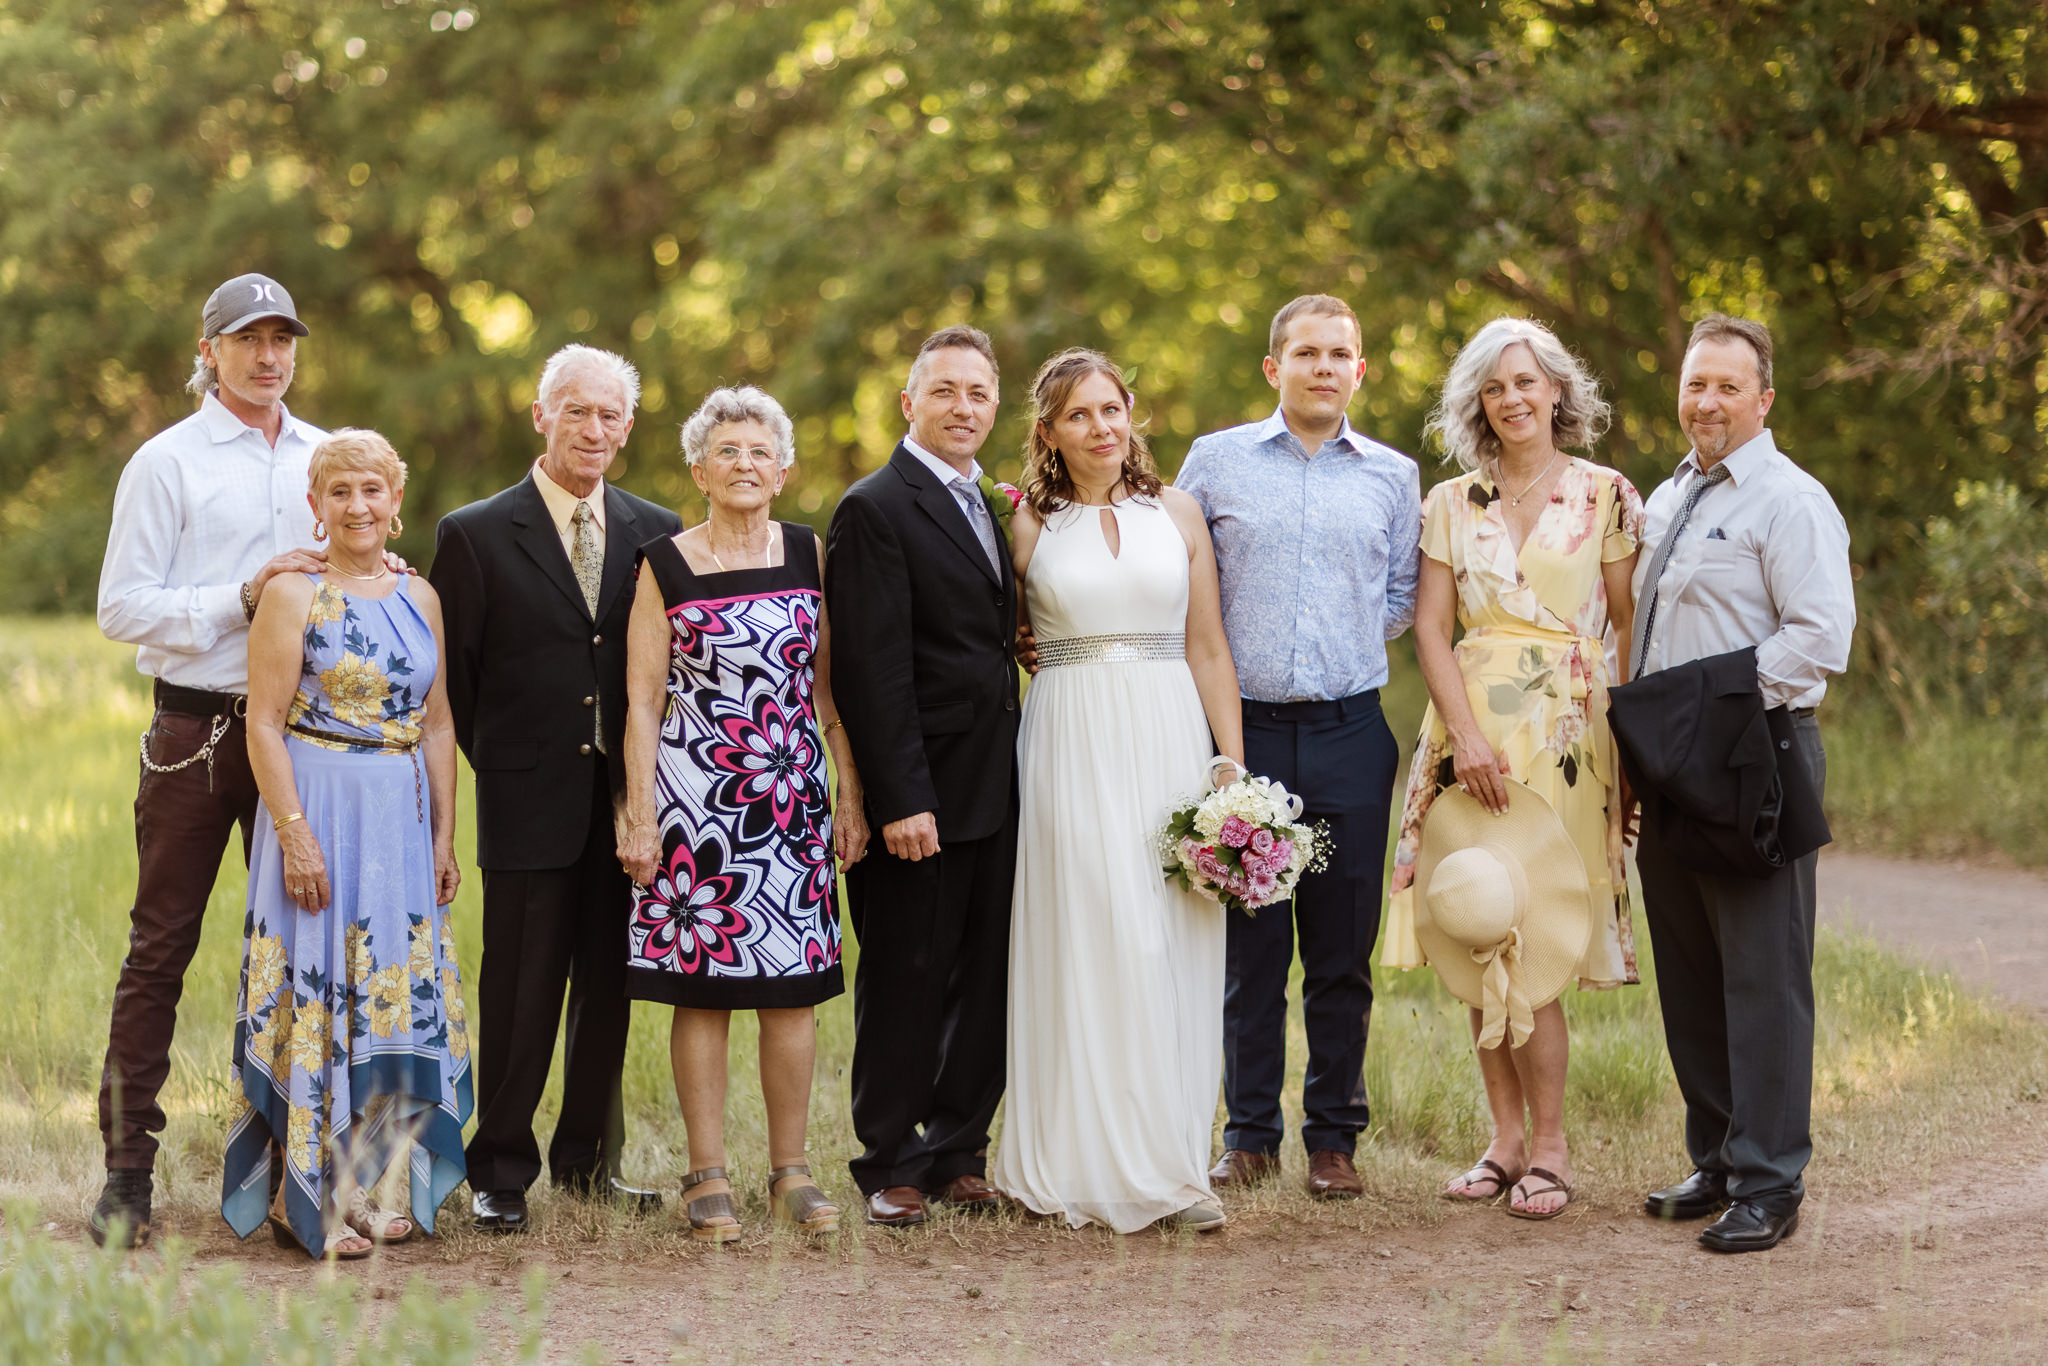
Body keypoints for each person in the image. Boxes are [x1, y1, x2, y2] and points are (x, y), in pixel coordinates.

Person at [1382, 316, 1643, 1219]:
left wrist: (1629, 745)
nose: (1514, 398)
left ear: (1557, 390)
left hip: (1569, 735)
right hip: (1472, 732)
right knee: (1473, 923)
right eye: (1495, 388)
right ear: (1477, 405)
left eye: (1527, 381)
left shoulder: (1608, 494)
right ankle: (1501, 1141)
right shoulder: (1451, 504)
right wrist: (1468, 738)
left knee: (1541, 939)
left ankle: (1554, 1147)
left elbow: (1626, 624)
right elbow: (1429, 629)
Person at [90, 273, 330, 1248]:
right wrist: (240, 594)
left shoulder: (327, 455)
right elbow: (121, 606)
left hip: (304, 739)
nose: (268, 356)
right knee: (160, 953)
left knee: (295, 957)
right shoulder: (167, 462)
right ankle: (124, 1175)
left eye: (282, 339)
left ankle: (291, 1172)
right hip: (195, 735)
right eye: (248, 339)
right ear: (210, 350)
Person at [989, 349, 1245, 1233]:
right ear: (1050, 435)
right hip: (1069, 734)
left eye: (1112, 409)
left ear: (1131, 413)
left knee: (1170, 935)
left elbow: (1209, 644)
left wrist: (1229, 764)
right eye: (1079, 416)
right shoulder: (1026, 526)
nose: (1101, 428)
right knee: (1092, 928)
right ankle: (1069, 1160)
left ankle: (1171, 1161)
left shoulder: (1176, 513)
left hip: (1170, 728)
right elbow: (1002, 635)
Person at [430, 344, 681, 1233]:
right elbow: (452, 682)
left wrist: (637, 793)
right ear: (542, 416)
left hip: (627, 808)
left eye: (611, 415)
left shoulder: (658, 528)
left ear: (628, 428)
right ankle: (498, 1167)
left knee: (608, 993)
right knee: (521, 992)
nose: (595, 429)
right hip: (524, 798)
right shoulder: (475, 531)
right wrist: (507, 764)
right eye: (578, 410)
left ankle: (587, 1162)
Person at [1175, 294, 1421, 1201]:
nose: (1324, 367)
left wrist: (1334, 643)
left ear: (1361, 371)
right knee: (1249, 955)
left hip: (1352, 731)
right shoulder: (1217, 461)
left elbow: (1400, 597)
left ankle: (1334, 1141)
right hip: (1243, 734)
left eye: (1340, 354)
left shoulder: (1393, 477)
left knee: (1340, 954)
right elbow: (1179, 580)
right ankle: (1247, 1135)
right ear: (1275, 368)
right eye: (1306, 353)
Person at [617, 387, 868, 1242]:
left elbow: (825, 686)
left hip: (790, 800)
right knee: (705, 994)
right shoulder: (664, 562)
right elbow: (643, 702)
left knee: (792, 993)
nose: (745, 465)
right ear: (699, 469)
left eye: (760, 451)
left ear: (784, 468)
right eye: (727, 451)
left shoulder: (809, 551)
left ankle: (791, 1171)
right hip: (698, 810)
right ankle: (706, 1173)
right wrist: (641, 813)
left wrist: (850, 787)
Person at [1630, 315, 1854, 1254]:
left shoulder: (1789, 500)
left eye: (1727, 386)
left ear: (1763, 398)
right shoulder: (1664, 495)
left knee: (1764, 974)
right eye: (1694, 385)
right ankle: (1719, 1155)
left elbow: (1818, 640)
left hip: (1753, 753)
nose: (1706, 402)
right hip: (1671, 760)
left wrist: (1700, 707)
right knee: (1691, 971)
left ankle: (1770, 1181)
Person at [220, 429, 471, 1259]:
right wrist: (293, 836)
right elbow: (261, 722)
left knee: (386, 996)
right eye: (340, 492)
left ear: (396, 502)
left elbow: (437, 724)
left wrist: (443, 834)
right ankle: (304, 1194)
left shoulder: (421, 595)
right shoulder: (295, 593)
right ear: (316, 505)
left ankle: (356, 1182)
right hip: (318, 804)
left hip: (398, 818)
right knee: (318, 987)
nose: (357, 506)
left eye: (372, 490)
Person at [825, 325, 1021, 1227]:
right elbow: (872, 667)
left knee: (985, 974)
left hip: (1000, 780)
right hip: (922, 790)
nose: (963, 407)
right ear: (910, 404)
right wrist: (901, 798)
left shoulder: (992, 503)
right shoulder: (876, 506)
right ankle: (889, 1159)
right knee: (907, 974)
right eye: (944, 391)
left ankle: (958, 1150)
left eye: (977, 393)